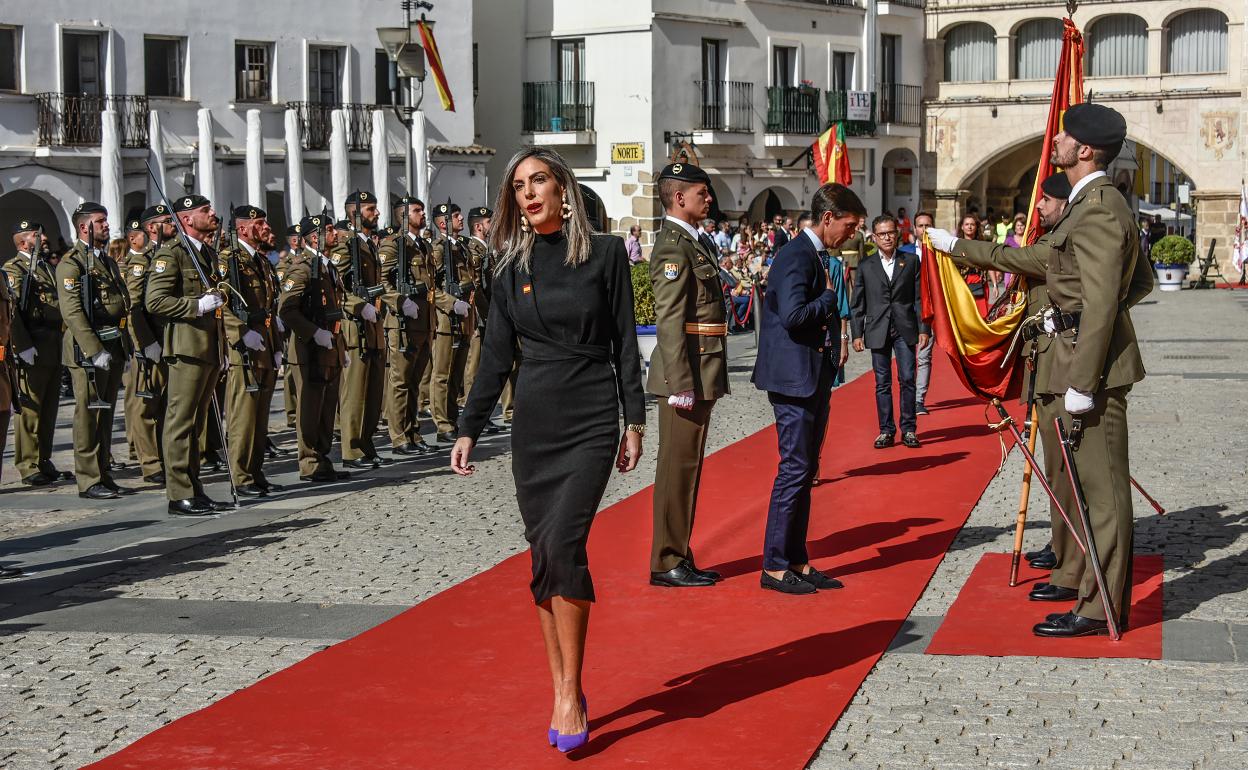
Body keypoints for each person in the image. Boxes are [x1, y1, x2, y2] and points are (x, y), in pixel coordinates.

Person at [926, 102, 1154, 638]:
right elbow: (1127, 282)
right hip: (1079, 357)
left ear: (1085, 150)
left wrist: (1083, 370)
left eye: (1064, 138)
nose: (1055, 143)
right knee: (1082, 486)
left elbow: (1103, 301)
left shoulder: (1099, 208)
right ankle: (1084, 585)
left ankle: (1100, 609)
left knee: (1104, 493)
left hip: (1087, 370)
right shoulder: (1089, 205)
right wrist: (957, 247)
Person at [450, 147, 645, 753]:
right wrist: (469, 426)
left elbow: (623, 347)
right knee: (543, 555)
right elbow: (495, 358)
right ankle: (564, 685)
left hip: (590, 416)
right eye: (518, 187)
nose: (528, 194)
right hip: (535, 421)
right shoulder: (508, 267)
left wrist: (634, 419)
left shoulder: (607, 255)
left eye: (538, 181)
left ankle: (569, 691)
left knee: (564, 543)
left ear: (562, 187)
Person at [752, 182, 864, 594]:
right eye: (849, 225)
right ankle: (775, 565)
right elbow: (796, 314)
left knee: (805, 470)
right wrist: (830, 302)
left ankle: (796, 559)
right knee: (794, 470)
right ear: (829, 217)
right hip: (793, 379)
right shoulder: (796, 255)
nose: (852, 233)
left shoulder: (812, 254)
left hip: (811, 376)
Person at [646, 161, 730, 589]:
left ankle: (678, 549)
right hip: (687, 373)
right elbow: (670, 319)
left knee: (688, 466)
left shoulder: (695, 243)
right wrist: (680, 382)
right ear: (680, 198)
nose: (709, 199)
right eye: (702, 193)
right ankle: (665, 560)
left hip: (702, 367)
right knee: (677, 468)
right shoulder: (673, 247)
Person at [145, 195, 232, 515]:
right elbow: (154, 301)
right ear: (186, 219)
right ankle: (179, 493)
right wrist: (195, 306)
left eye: (211, 207)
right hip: (185, 347)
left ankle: (194, 489)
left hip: (208, 346)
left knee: (197, 423)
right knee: (180, 422)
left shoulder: (205, 252)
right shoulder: (173, 253)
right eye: (204, 211)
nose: (212, 213)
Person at [57, 203, 136, 500]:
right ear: (83, 227)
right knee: (88, 414)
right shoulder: (72, 263)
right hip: (87, 350)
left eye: (105, 219)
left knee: (104, 414)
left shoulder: (106, 261)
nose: (106, 224)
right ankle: (89, 480)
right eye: (100, 221)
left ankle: (104, 472)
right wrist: (93, 350)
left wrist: (123, 347)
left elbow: (121, 303)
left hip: (113, 343)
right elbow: (72, 311)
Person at [217, 205, 284, 497]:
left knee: (260, 416)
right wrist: (241, 333)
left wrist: (277, 345)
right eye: (260, 224)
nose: (267, 228)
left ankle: (256, 473)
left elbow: (270, 308)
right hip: (244, 348)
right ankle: (241, 477)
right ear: (243, 229)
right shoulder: (228, 260)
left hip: (265, 345)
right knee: (243, 416)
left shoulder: (261, 261)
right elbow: (221, 304)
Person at [278, 215, 350, 483]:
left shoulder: (327, 266)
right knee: (309, 409)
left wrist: (340, 347)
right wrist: (314, 332)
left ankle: (323, 459)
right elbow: (286, 309)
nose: (335, 234)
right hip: (309, 349)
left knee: (326, 408)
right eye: (329, 230)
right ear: (312, 237)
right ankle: (309, 462)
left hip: (330, 345)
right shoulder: (303, 267)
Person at [851, 214, 929, 450]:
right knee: (882, 382)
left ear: (897, 234)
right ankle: (886, 430)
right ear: (874, 237)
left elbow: (920, 298)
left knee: (907, 378)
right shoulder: (866, 265)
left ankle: (909, 429)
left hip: (905, 327)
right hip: (877, 328)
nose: (887, 237)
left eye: (891, 233)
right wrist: (856, 334)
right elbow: (858, 302)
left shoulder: (911, 261)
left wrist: (924, 328)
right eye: (882, 234)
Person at [5, 221, 72, 487]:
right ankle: (28, 464)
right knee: (31, 409)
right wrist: (21, 345)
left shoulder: (45, 267)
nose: (43, 238)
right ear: (23, 243)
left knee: (49, 408)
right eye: (36, 235)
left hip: (53, 343)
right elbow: (12, 312)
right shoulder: (15, 269)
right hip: (33, 343)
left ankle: (44, 459)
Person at [331, 191, 391, 469]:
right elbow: (336, 290)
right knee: (355, 393)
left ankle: (366, 444)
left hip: (373, 327)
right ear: (354, 213)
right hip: (356, 329)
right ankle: (351, 450)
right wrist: (358, 307)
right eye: (370, 209)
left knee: (374, 392)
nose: (376, 214)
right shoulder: (346, 247)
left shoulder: (367, 245)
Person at [378, 195, 438, 456]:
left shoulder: (422, 245)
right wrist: (400, 302)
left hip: (424, 322)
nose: (422, 214)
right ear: (403, 216)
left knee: (415, 381)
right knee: (400, 381)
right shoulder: (393, 246)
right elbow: (381, 283)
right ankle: (399, 436)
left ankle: (413, 432)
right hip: (402, 323)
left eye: (423, 210)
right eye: (416, 211)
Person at [121, 210, 168, 485]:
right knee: (144, 405)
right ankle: (150, 464)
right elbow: (133, 308)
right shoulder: (137, 264)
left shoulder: (157, 257)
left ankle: (159, 456)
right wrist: (145, 344)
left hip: (162, 340)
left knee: (161, 404)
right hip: (146, 342)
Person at [429, 202, 473, 443]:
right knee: (442, 374)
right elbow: (431, 287)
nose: (461, 219)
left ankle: (453, 419)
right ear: (443, 222)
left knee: (456, 375)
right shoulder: (437, 249)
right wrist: (449, 303)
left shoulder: (462, 247)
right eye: (456, 216)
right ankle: (442, 423)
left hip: (465, 316)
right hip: (446, 320)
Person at [908, 210, 936, 415]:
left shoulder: (940, 253)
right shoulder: (905, 252)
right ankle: (907, 395)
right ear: (914, 229)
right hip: (907, 311)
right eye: (920, 226)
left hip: (929, 311)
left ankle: (919, 399)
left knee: (924, 356)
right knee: (907, 358)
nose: (924, 229)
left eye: (927, 225)